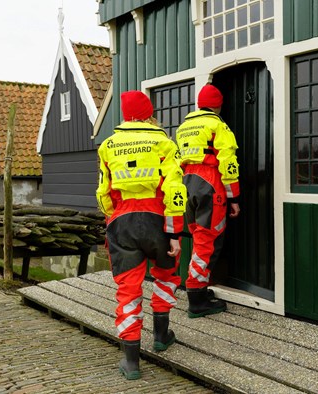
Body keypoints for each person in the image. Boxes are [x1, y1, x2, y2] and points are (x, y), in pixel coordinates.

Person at [96, 90, 187, 380]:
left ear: (124, 115)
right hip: (158, 220)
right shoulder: (164, 142)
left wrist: (113, 218)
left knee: (128, 289)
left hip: (122, 221)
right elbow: (175, 190)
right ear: (149, 113)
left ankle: (131, 361)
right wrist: (174, 233)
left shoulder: (108, 146)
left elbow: (102, 192)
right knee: (166, 275)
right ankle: (161, 336)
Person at [175, 84, 240, 318]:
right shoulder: (218, 125)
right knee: (207, 240)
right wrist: (234, 196)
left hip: (185, 182)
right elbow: (228, 162)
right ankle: (197, 298)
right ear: (218, 105)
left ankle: (200, 288)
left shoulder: (183, 127)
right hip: (209, 182)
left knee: (197, 236)